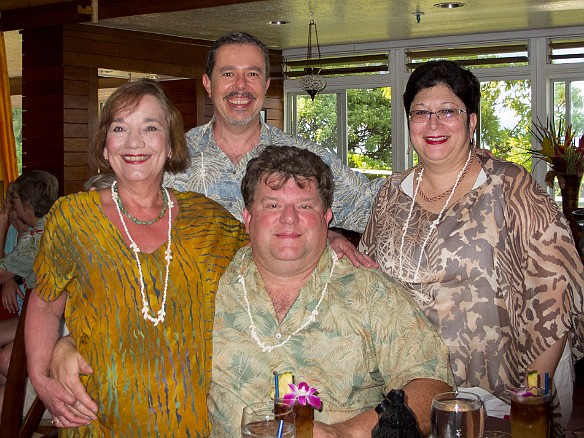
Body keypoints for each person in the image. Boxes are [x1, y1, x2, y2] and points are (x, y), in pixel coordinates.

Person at [358, 60, 584, 434]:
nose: (433, 124)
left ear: (472, 120)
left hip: (490, 395)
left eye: (448, 111)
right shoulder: (389, 195)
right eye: (421, 113)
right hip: (403, 389)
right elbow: (365, 281)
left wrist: (528, 403)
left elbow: (554, 296)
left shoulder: (510, 187)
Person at [25, 79, 248, 436]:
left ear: (171, 143)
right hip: (97, 423)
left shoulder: (209, 221)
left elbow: (269, 256)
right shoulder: (72, 217)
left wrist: (328, 236)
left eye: (150, 127)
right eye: (119, 128)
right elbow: (44, 304)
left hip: (193, 425)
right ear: (104, 146)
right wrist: (41, 377)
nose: (134, 143)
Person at [208, 146, 454, 437]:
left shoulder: (371, 292)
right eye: (273, 205)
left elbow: (433, 387)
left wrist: (345, 433)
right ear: (247, 218)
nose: (289, 218)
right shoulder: (210, 281)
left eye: (305, 206)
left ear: (327, 217)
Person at [163, 32, 383, 234]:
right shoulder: (168, 157)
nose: (241, 85)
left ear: (266, 85)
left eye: (252, 74)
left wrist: (328, 236)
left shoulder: (305, 158)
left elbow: (371, 206)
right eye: (228, 73)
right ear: (208, 84)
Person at [0, 171, 59, 413]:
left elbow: (1, 273)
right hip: (42, 311)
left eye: (13, 200)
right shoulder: (50, 223)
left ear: (26, 204)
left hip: (54, 317)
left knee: (6, 360)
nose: (10, 206)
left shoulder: (38, 236)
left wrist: (3, 220)